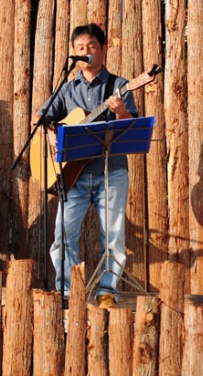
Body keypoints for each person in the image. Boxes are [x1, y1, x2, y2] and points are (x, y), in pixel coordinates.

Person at [32, 23, 138, 309]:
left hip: (111, 172)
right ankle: (66, 292)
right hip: (73, 176)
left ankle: (107, 291)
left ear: (103, 49)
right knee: (62, 234)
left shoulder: (119, 85)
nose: (86, 51)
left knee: (112, 236)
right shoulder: (66, 89)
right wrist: (51, 133)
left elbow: (131, 126)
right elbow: (39, 120)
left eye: (91, 46)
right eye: (80, 48)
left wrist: (120, 111)